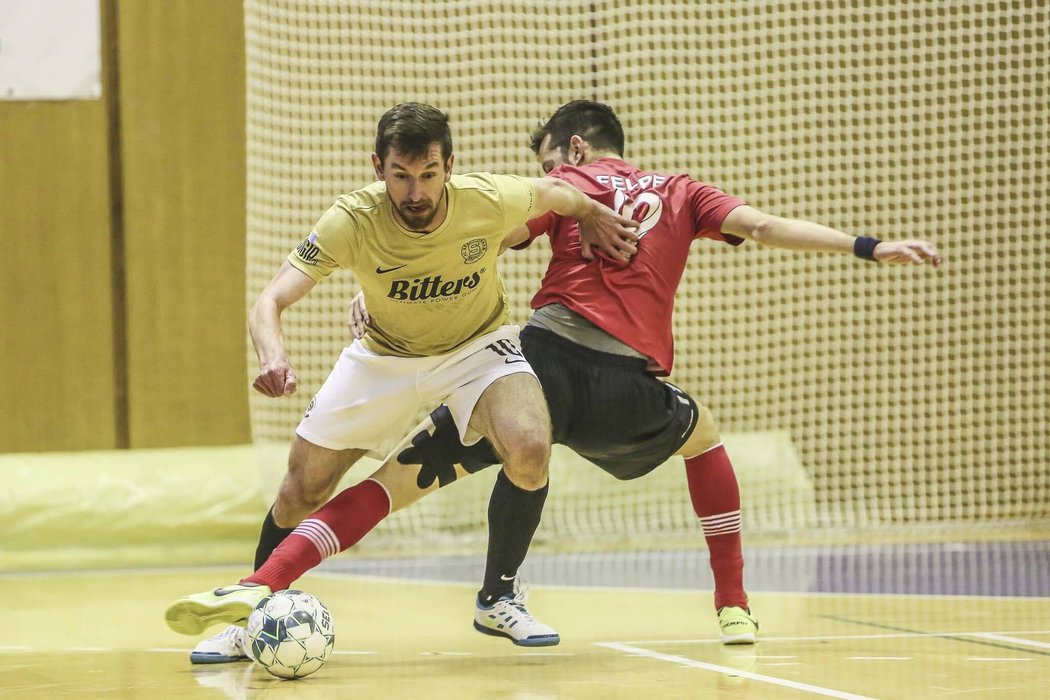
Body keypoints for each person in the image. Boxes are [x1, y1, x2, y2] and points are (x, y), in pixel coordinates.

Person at [345, 100, 942, 645]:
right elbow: (763, 227)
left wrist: (386, 291)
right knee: (703, 435)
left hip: (536, 365)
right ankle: (733, 605)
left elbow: (475, 242)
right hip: (622, 392)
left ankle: (276, 574)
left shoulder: (564, 184)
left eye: (549, 159)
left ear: (573, 149)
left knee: (402, 476)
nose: (550, 171)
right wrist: (866, 245)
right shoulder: (684, 191)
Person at [164, 102, 639, 662]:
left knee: (531, 446)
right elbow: (270, 299)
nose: (416, 192)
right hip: (383, 357)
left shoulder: (487, 197)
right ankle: (253, 612)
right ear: (378, 168)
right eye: (401, 176)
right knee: (302, 490)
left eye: (429, 175)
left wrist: (589, 215)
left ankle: (498, 596)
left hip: (477, 348)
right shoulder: (352, 220)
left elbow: (561, 194)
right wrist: (274, 357)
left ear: (449, 166)